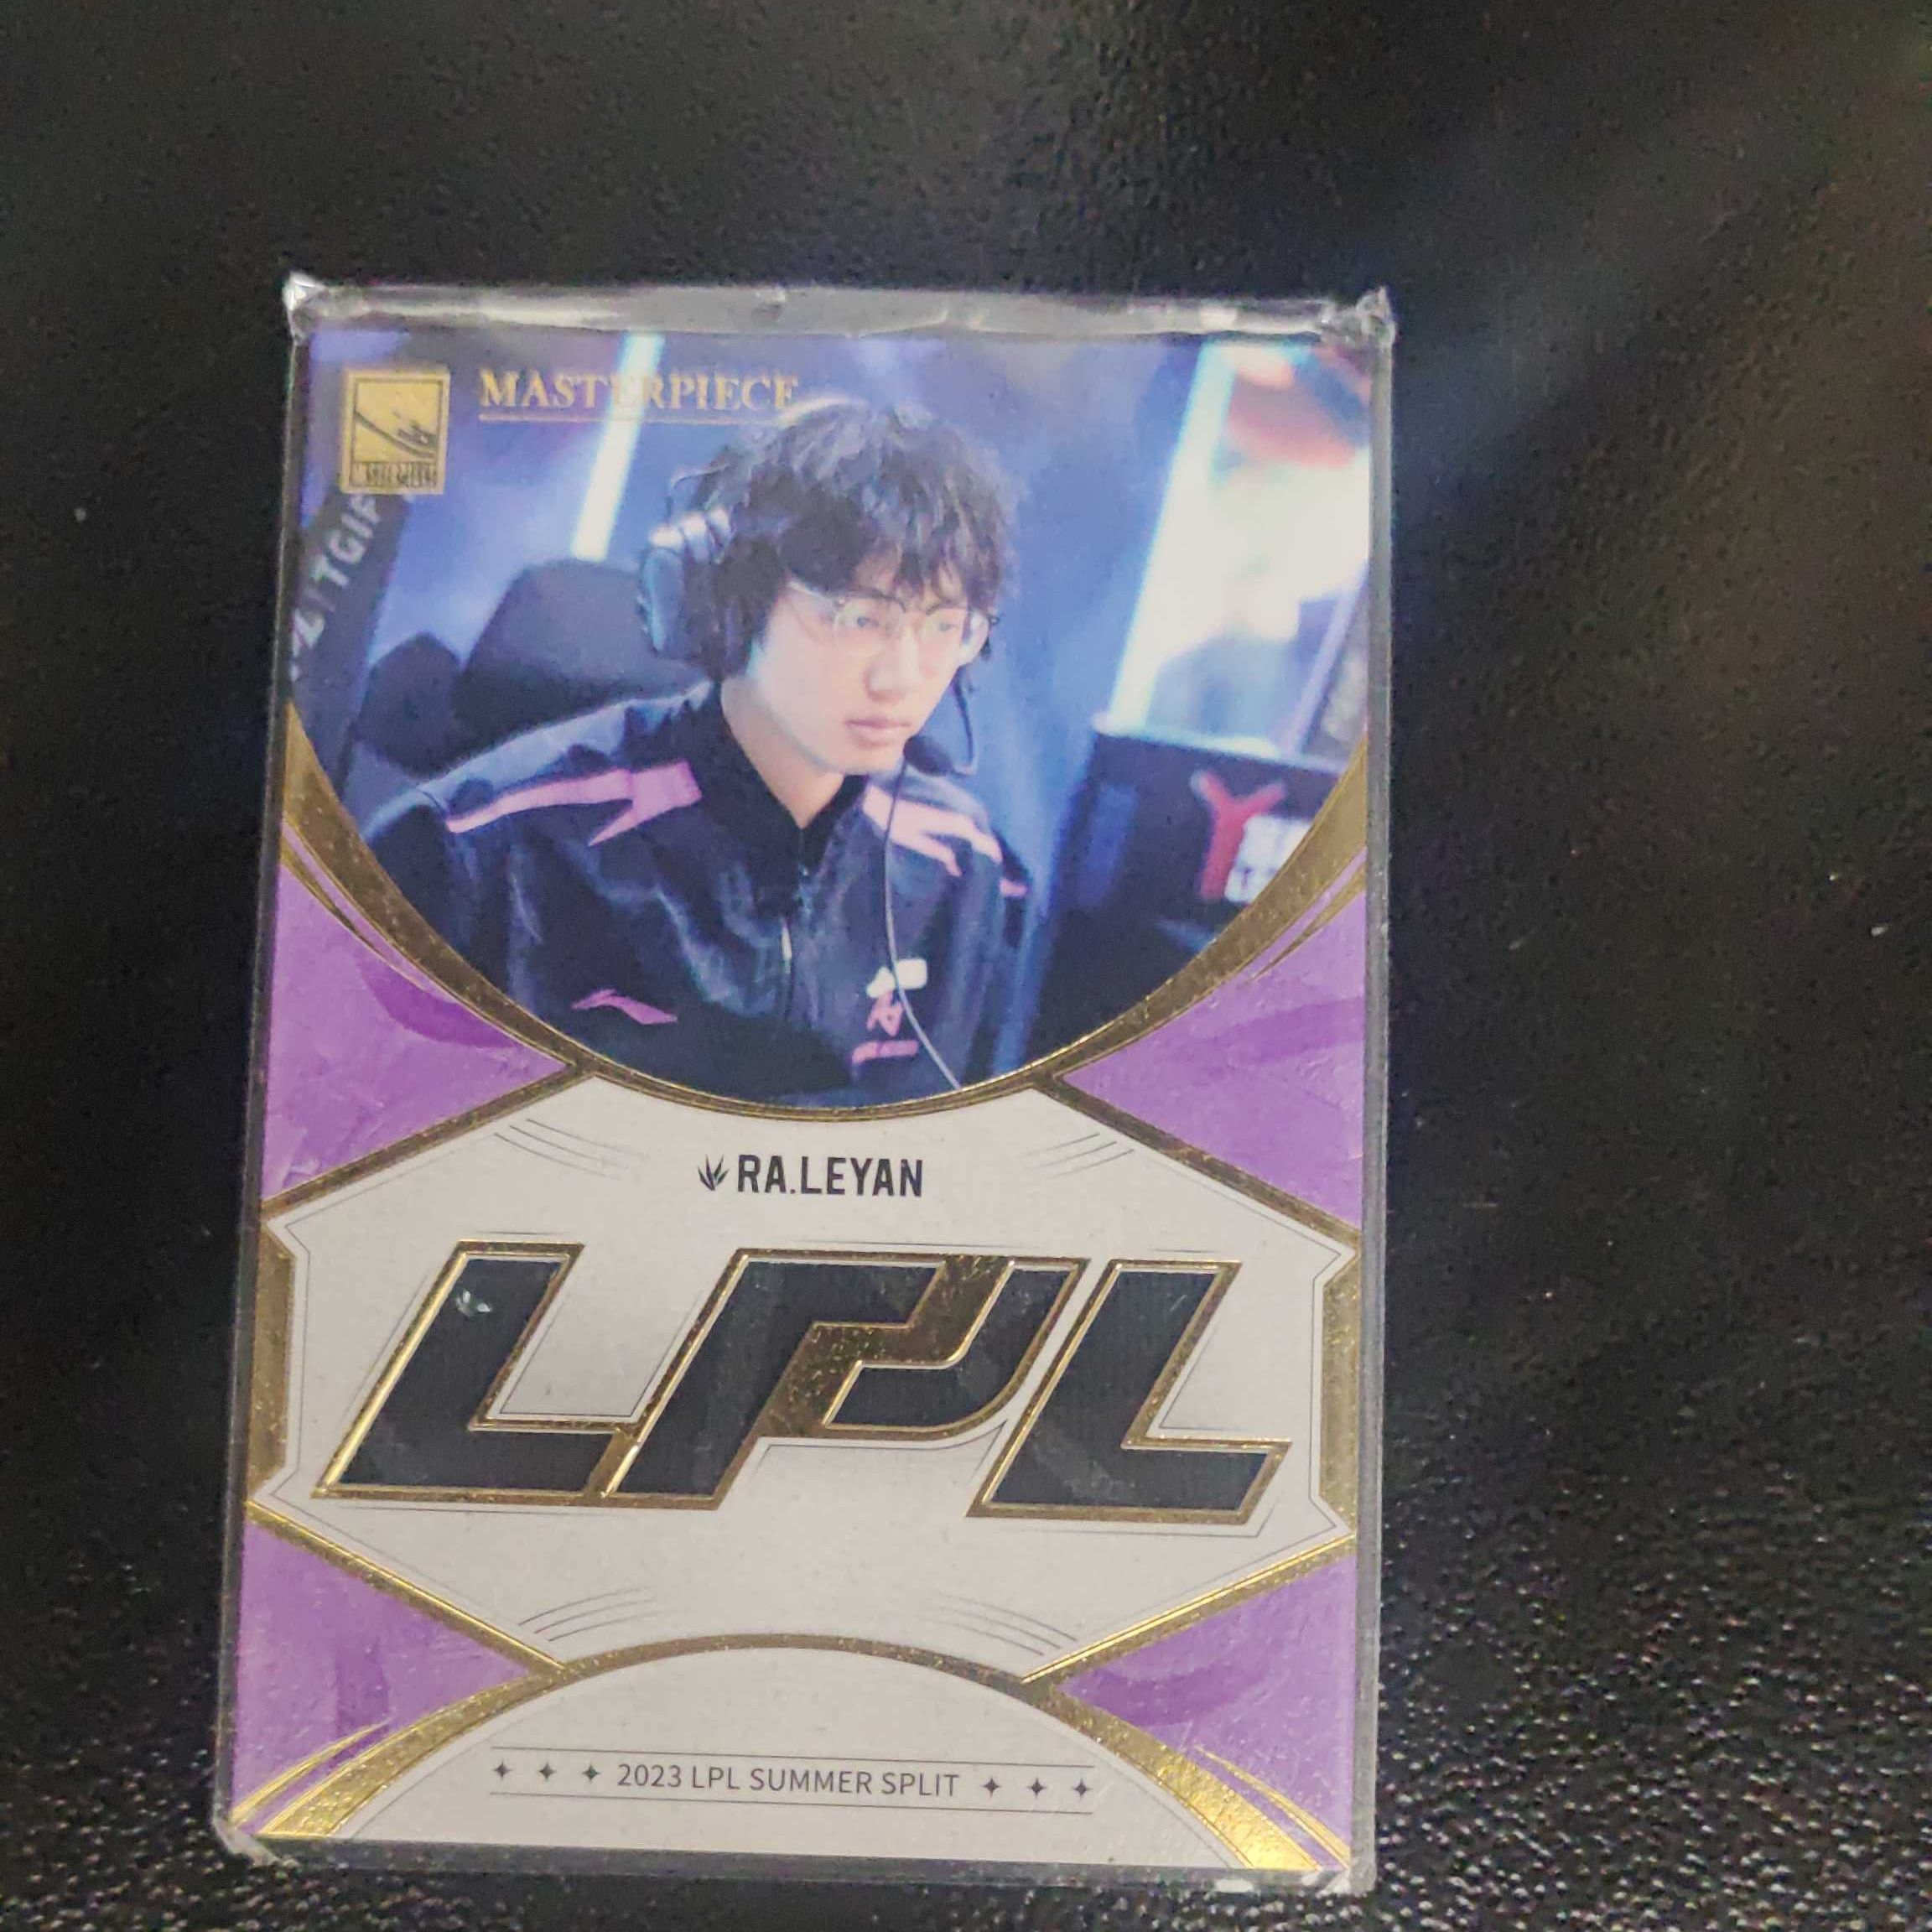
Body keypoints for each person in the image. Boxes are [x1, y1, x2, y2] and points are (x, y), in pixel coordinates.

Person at [366, 399, 1031, 1106]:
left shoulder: (965, 868)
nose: (901, 677)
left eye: (944, 626)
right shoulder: (476, 851)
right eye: (860, 618)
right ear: (736, 601)